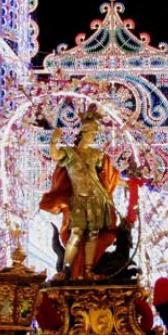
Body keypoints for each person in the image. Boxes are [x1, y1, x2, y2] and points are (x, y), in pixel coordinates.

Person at [40, 107, 122, 280]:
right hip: (78, 199)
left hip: (96, 199)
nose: (93, 136)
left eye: (95, 133)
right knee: (76, 233)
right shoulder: (70, 154)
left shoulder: (96, 154)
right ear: (84, 132)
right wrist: (54, 141)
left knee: (93, 234)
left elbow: (107, 175)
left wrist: (127, 184)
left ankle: (88, 271)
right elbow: (55, 155)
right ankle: (66, 270)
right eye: (91, 133)